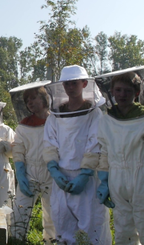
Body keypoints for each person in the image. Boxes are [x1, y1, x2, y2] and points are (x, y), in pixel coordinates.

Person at [95, 68, 144, 245]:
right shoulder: (106, 120)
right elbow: (104, 152)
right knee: (122, 229)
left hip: (143, 178)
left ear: (137, 93)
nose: (122, 94)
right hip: (116, 180)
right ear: (111, 92)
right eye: (118, 90)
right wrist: (103, 180)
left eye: (127, 91)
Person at [43, 65, 111, 245]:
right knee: (63, 227)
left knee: (92, 229)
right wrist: (54, 170)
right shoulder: (55, 116)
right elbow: (49, 143)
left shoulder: (94, 113)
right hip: (61, 179)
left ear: (84, 84)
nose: (70, 87)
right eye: (67, 84)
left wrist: (85, 173)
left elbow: (95, 143)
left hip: (87, 180)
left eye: (74, 83)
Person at [9, 81, 56, 243]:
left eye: (33, 98)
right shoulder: (23, 126)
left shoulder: (56, 121)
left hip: (52, 172)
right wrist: (20, 173)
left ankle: (51, 241)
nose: (29, 103)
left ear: (44, 99)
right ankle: (16, 240)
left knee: (53, 213)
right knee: (19, 212)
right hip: (29, 173)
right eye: (27, 100)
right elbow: (18, 150)